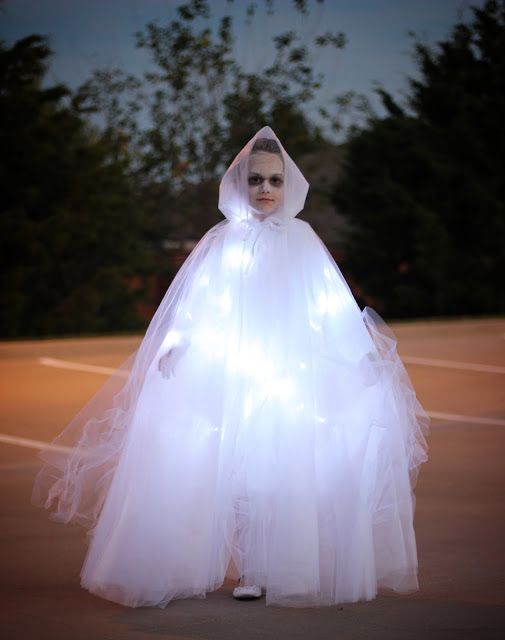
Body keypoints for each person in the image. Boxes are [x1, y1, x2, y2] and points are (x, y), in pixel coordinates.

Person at [31, 126, 430, 609]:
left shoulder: (302, 239)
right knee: (239, 472)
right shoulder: (224, 242)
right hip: (233, 373)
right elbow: (200, 301)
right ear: (240, 185)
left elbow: (332, 301)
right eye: (257, 180)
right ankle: (251, 570)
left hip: (291, 375)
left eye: (275, 181)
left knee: (281, 472)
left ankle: (283, 566)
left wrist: (360, 353)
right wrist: (176, 343)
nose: (266, 189)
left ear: (289, 187)